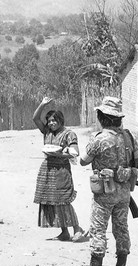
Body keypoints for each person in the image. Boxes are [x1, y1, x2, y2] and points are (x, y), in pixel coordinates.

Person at [75, 96, 138, 266]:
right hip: (124, 192)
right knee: (121, 228)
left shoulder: (99, 139)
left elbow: (83, 160)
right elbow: (136, 160)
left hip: (104, 192)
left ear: (102, 117)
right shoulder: (128, 137)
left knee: (98, 229)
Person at [32, 97, 85, 242]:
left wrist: (60, 153)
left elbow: (75, 152)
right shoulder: (47, 132)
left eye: (54, 120)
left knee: (63, 200)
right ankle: (64, 232)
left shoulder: (69, 134)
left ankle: (77, 228)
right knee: (51, 200)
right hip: (47, 169)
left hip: (61, 170)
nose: (51, 123)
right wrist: (43, 104)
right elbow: (35, 118)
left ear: (61, 121)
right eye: (49, 121)